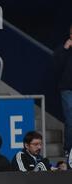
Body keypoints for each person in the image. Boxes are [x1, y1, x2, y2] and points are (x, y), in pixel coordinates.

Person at [54, 24, 72, 158]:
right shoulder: (63, 49)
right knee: (71, 119)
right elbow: (56, 67)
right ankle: (68, 149)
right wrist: (65, 49)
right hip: (67, 89)